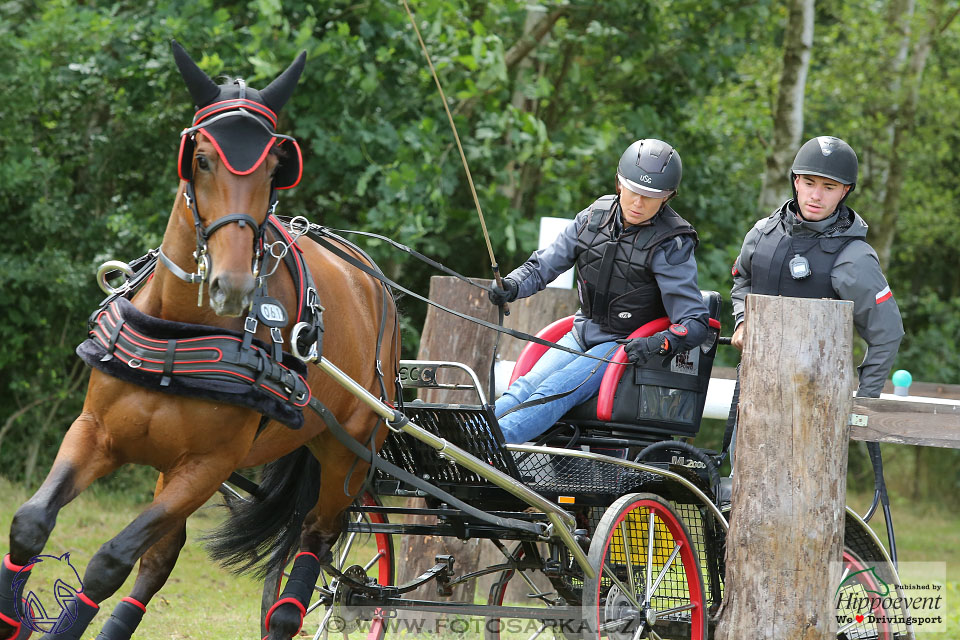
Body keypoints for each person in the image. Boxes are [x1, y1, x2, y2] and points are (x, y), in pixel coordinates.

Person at [488, 138, 710, 444]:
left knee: (551, 392)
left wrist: (657, 343)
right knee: (524, 388)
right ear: (619, 182)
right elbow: (543, 266)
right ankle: (466, 438)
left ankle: (485, 448)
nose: (638, 203)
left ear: (668, 197)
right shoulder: (593, 216)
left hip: (622, 346)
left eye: (650, 196)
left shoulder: (671, 243)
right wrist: (510, 285)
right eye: (633, 190)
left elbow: (695, 323)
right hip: (582, 333)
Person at [730, 135, 904, 398]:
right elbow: (743, 280)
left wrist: (865, 403)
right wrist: (742, 322)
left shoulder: (856, 258)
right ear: (796, 181)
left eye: (829, 187)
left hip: (818, 406)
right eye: (809, 183)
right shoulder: (761, 234)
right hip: (752, 393)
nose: (816, 195)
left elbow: (887, 334)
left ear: (845, 190)